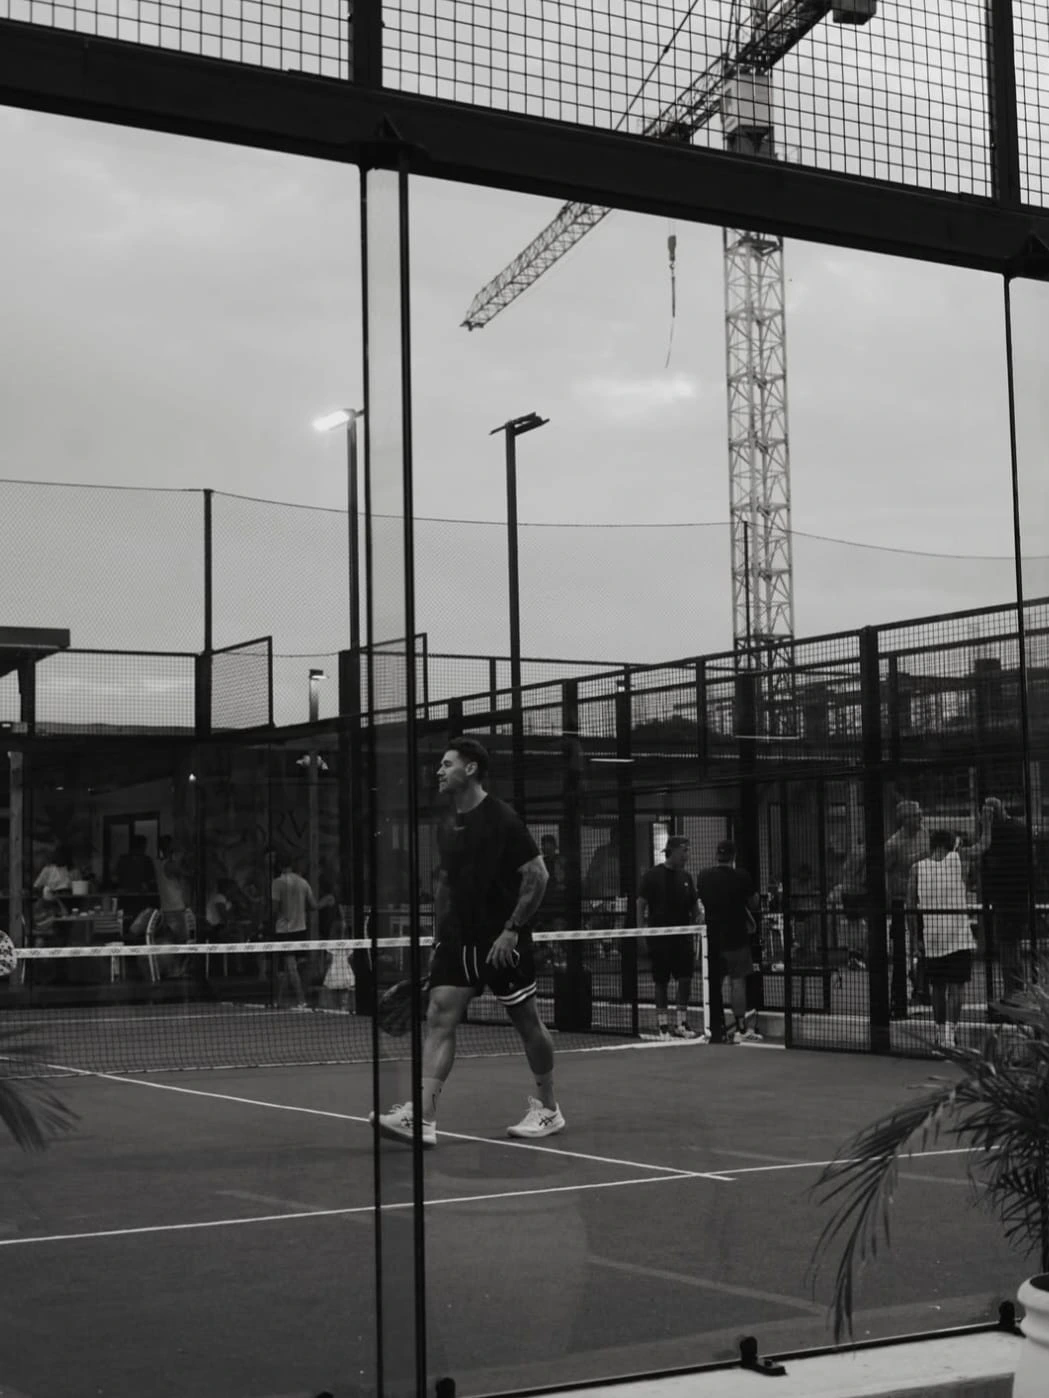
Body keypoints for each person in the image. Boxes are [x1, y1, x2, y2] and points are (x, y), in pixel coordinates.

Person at [375, 737, 561, 1148]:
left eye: (446, 764)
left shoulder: (502, 819)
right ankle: (422, 1117)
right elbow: (447, 885)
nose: (438, 772)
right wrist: (438, 942)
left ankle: (548, 1109)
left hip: (501, 941)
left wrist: (512, 928)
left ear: (471, 768)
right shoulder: (449, 824)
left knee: (526, 1022)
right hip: (458, 941)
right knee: (440, 1015)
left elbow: (538, 876)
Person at [907, 829, 977, 1050]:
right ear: (950, 845)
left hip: (932, 936)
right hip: (958, 937)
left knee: (937, 987)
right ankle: (950, 1035)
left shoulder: (917, 868)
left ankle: (940, 1033)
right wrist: (986, 818)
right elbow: (983, 845)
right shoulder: (958, 861)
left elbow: (910, 906)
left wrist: (915, 938)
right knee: (956, 988)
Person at [695, 840, 761, 1044]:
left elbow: (702, 901)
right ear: (733, 856)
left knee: (714, 984)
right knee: (738, 982)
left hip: (713, 939)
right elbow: (754, 902)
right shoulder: (741, 876)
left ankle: (717, 1028)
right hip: (737, 938)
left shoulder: (704, 876)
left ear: (717, 855)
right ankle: (741, 1028)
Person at [638, 835, 701, 1039]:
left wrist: (698, 921)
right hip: (659, 940)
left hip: (682, 941)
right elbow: (640, 905)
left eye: (689, 850)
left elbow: (695, 908)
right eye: (684, 850)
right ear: (672, 851)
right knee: (661, 982)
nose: (687, 855)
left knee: (685, 980)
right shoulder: (652, 876)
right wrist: (641, 934)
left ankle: (681, 1023)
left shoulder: (686, 878)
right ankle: (663, 1026)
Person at [976, 797, 1029, 998]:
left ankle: (1012, 993)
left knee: (1007, 948)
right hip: (1020, 895)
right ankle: (1017, 991)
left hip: (1005, 897)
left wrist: (986, 827)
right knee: (1013, 946)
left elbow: (982, 849)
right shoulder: (1019, 828)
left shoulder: (996, 833)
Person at [884, 800, 930, 1015]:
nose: (920, 818)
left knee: (925, 945)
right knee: (903, 951)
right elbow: (886, 873)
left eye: (920, 814)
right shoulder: (893, 844)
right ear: (904, 819)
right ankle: (899, 997)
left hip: (924, 899)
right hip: (901, 902)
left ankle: (923, 990)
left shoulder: (924, 834)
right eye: (916, 815)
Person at [271, 853, 317, 1011]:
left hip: (284, 931)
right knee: (287, 967)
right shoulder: (303, 882)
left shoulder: (277, 883)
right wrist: (327, 900)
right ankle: (279, 1000)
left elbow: (275, 908)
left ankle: (301, 1001)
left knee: (290, 967)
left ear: (278, 866)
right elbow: (313, 905)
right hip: (300, 930)